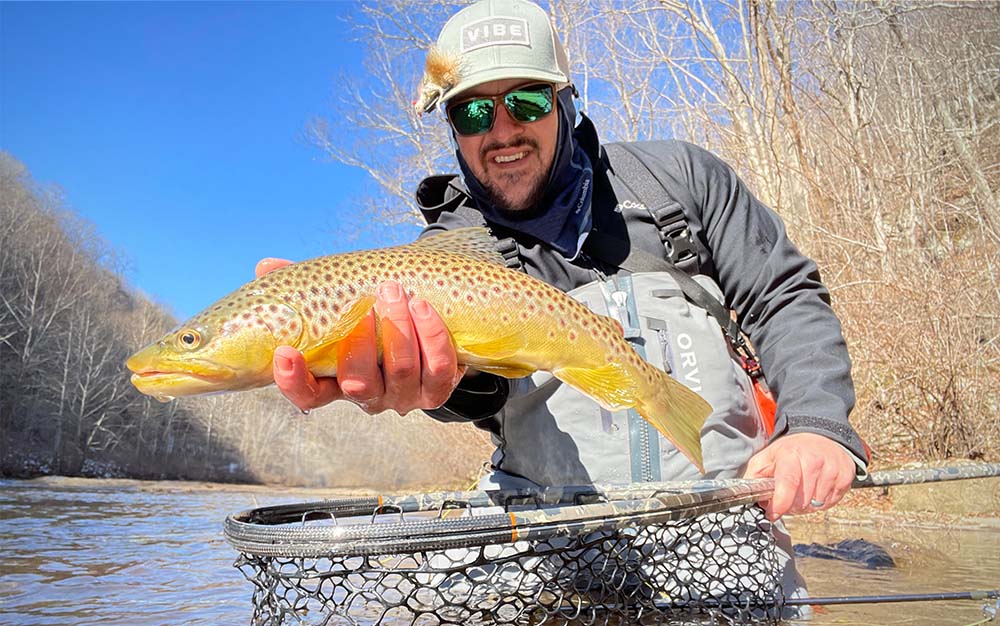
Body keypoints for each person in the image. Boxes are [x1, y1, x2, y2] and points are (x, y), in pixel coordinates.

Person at [257, 0, 866, 532]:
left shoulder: (677, 180)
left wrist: (814, 423)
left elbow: (783, 295)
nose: (502, 131)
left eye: (525, 100)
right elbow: (477, 392)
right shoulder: (444, 252)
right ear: (452, 126)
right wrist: (434, 385)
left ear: (564, 102)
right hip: (540, 528)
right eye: (473, 113)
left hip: (723, 513)